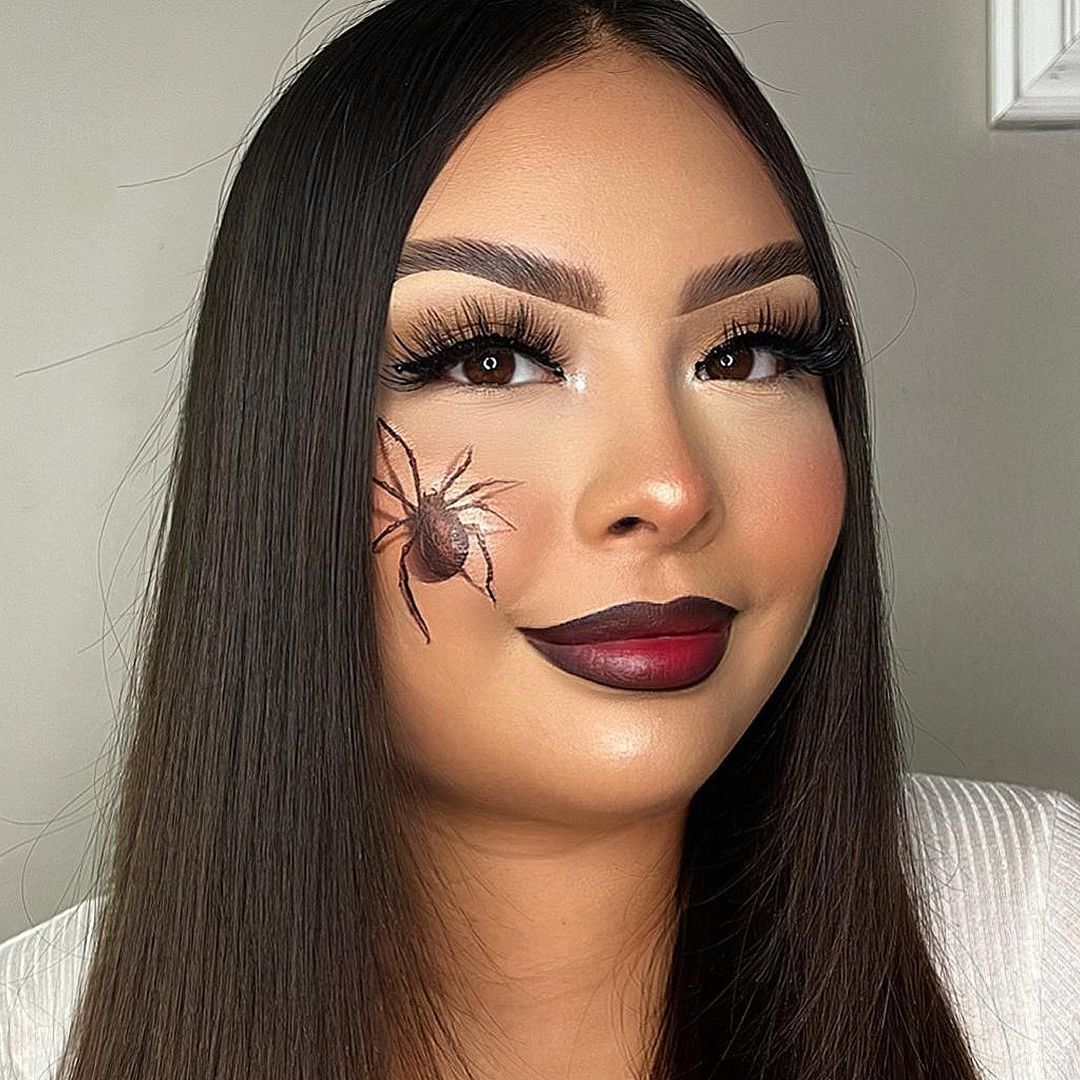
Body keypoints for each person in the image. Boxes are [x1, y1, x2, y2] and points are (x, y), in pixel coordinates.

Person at [2, 1, 1078, 1078]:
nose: (668, 488)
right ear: (279, 442)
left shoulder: (1041, 938)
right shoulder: (36, 1038)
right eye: (490, 360)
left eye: (749, 353)